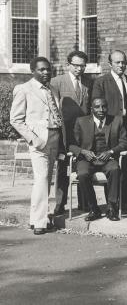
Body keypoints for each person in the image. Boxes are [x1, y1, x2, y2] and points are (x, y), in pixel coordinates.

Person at [10, 57, 63, 235]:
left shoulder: (53, 89)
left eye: (48, 69)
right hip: (39, 141)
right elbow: (16, 120)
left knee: (47, 179)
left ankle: (37, 218)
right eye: (41, 70)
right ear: (33, 70)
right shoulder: (24, 89)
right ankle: (40, 222)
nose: (46, 72)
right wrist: (33, 139)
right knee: (41, 179)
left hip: (55, 137)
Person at [68, 97, 127, 222]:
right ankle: (93, 208)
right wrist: (83, 152)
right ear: (91, 109)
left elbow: (124, 142)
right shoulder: (81, 121)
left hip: (108, 158)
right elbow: (71, 144)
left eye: (104, 106)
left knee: (115, 169)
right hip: (87, 159)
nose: (101, 109)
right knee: (83, 174)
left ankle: (111, 208)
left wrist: (110, 151)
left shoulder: (117, 120)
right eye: (97, 107)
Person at [50, 50, 93, 216]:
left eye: (82, 66)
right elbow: (53, 108)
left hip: (83, 134)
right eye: (76, 65)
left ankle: (84, 203)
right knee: (63, 169)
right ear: (68, 65)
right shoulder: (57, 82)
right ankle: (60, 205)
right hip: (64, 135)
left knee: (83, 167)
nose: (79, 69)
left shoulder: (89, 82)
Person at [91, 50, 127, 137]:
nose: (121, 65)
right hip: (112, 125)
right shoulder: (101, 82)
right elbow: (97, 106)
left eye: (123, 62)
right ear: (110, 64)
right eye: (117, 62)